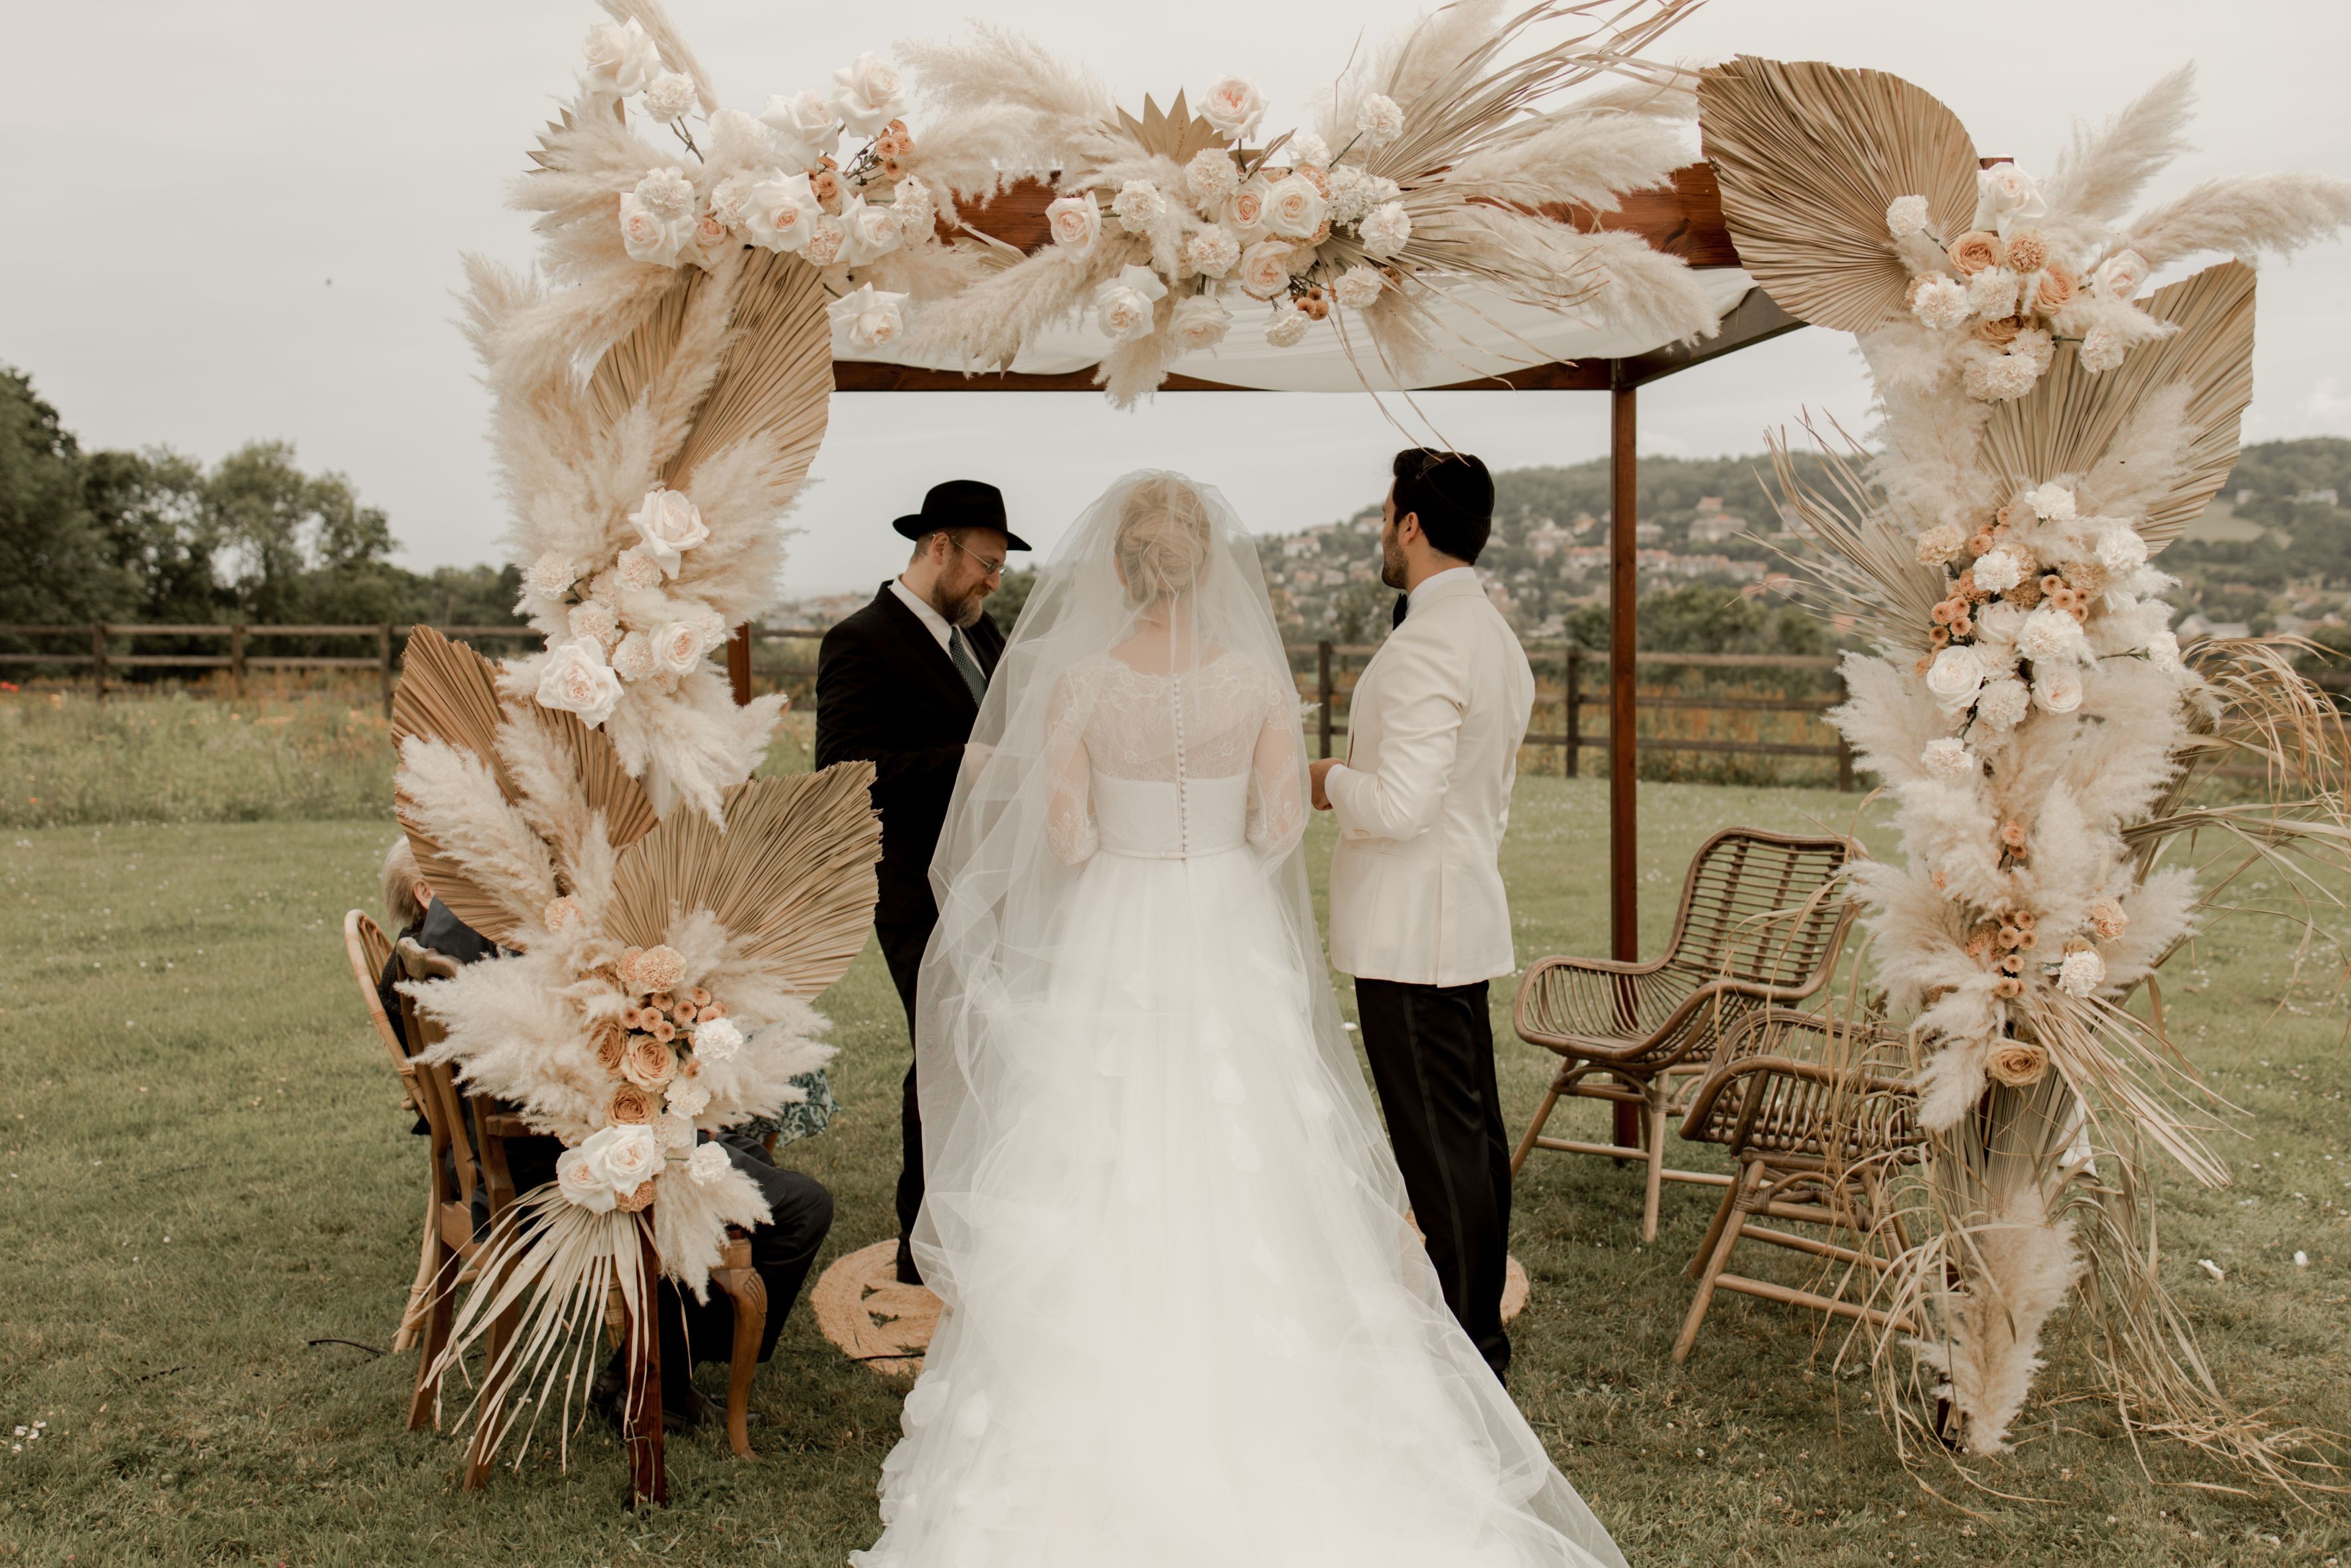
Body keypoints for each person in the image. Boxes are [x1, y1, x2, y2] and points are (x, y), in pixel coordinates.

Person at [851, 473, 1622, 1568]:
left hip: (1116, 929)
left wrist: (1122, 841)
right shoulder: (1255, 681)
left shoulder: (1073, 685)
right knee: (1261, 1151)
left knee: (1101, 1154)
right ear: (1210, 568)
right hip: (1223, 928)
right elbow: (1273, 827)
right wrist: (1211, 843)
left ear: (1118, 569)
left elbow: (1061, 840)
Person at [376, 842, 831, 1429]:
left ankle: (653, 1366)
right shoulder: (494, 929)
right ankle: (655, 1378)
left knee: (733, 1143)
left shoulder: (454, 917)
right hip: (548, 1172)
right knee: (800, 1206)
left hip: (493, 1166)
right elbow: (550, 1074)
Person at [1309, 449, 1533, 1382]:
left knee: (1438, 1146)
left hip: (1410, 930)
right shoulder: (1490, 633)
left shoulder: (1430, 643)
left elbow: (1397, 805)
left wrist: (1325, 779)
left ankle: (1468, 1341)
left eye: (1384, 514)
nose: (1379, 532)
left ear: (1408, 524)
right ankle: (1475, 1320)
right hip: (1455, 912)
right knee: (1469, 1137)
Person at [814, 478, 1030, 1286]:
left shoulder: (983, 632)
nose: (992, 582)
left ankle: (970, 1222)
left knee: (990, 1050)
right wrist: (962, 763)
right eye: (986, 563)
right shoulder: (860, 640)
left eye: (1000, 568)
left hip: (995, 884)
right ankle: (924, 1247)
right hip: (915, 890)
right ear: (938, 546)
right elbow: (839, 770)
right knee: (944, 1052)